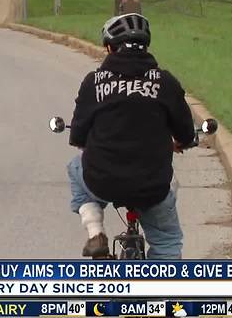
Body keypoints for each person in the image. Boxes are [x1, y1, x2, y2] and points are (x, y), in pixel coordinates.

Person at [67, 13, 197, 260]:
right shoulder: (165, 82)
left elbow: (78, 137)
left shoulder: (94, 82)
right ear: (146, 46)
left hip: (102, 183)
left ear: (108, 47)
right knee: (167, 241)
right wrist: (179, 142)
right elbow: (186, 133)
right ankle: (164, 295)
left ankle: (95, 232)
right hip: (152, 187)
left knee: (75, 166)